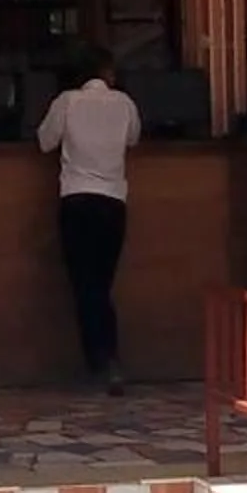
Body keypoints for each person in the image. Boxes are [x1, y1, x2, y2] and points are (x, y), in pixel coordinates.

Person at [36, 48, 143, 392]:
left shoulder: (67, 102)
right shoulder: (125, 103)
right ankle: (106, 360)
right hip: (113, 202)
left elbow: (44, 141)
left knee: (85, 284)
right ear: (107, 72)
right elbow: (134, 138)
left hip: (77, 200)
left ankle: (102, 359)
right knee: (101, 283)